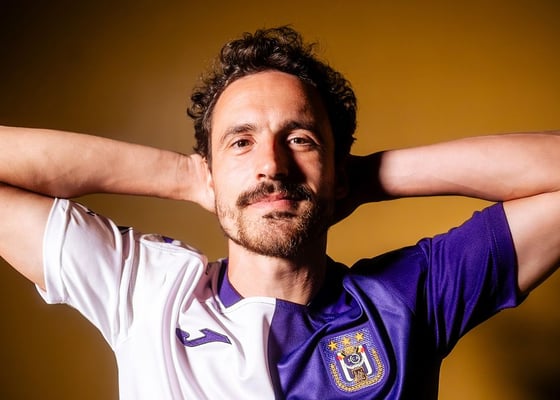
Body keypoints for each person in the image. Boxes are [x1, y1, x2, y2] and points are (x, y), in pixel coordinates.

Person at [0, 26, 558, 399]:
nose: (272, 165)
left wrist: (363, 178)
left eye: (299, 139)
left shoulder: (411, 296)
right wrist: (185, 176)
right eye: (240, 143)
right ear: (209, 171)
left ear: (339, 170)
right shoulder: (143, 289)